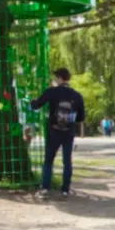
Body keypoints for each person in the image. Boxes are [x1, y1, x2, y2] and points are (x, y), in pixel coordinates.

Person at [30, 68, 85, 198]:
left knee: (48, 160)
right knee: (67, 161)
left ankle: (45, 188)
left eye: (56, 78)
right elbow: (81, 118)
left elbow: (36, 105)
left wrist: (31, 102)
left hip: (53, 131)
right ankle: (65, 189)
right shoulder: (77, 96)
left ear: (60, 78)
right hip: (68, 132)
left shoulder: (51, 92)